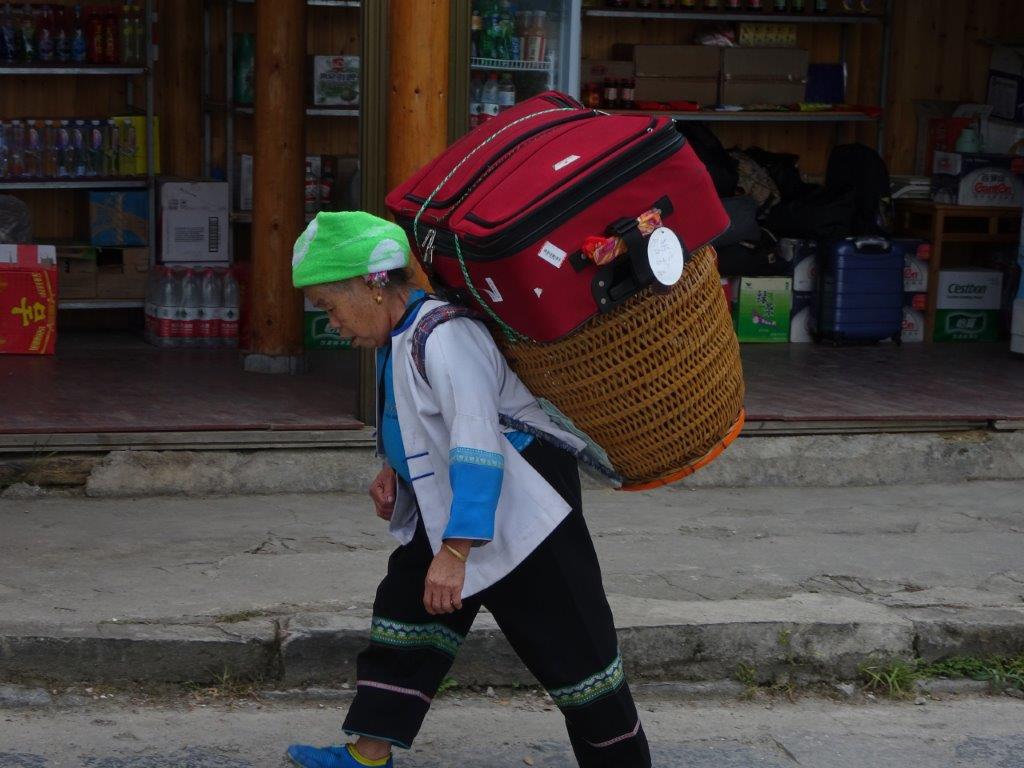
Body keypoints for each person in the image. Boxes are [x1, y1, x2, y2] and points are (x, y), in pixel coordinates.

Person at [285, 211, 651, 768]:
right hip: (453, 508)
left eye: (329, 308)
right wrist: (394, 471)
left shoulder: (446, 335)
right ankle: (367, 756)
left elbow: (476, 443)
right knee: (404, 619)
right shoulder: (398, 335)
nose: (332, 324)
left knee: (579, 659)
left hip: (524, 514)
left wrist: (455, 552)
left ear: (371, 285)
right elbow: (414, 421)